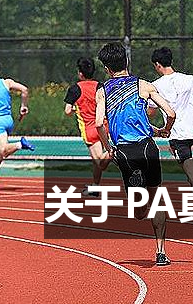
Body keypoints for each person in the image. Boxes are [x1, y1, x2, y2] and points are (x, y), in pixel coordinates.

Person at [95, 42, 176, 266]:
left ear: (107, 68)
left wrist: (108, 147)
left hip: (124, 152)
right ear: (127, 61)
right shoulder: (144, 85)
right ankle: (161, 252)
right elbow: (170, 112)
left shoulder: (103, 91)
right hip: (148, 147)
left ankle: (138, 186)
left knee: (139, 213)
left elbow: (99, 123)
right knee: (157, 197)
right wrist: (165, 129)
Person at [148, 47, 193, 204]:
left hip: (178, 135)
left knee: (191, 172)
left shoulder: (156, 86)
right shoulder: (189, 79)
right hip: (192, 133)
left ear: (157, 65)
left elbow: (150, 112)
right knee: (188, 172)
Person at [64, 57, 108, 197]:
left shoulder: (75, 89)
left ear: (80, 73)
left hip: (89, 129)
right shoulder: (100, 86)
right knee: (97, 162)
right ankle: (95, 187)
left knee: (100, 162)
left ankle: (114, 151)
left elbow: (67, 111)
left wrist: (76, 109)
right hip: (104, 126)